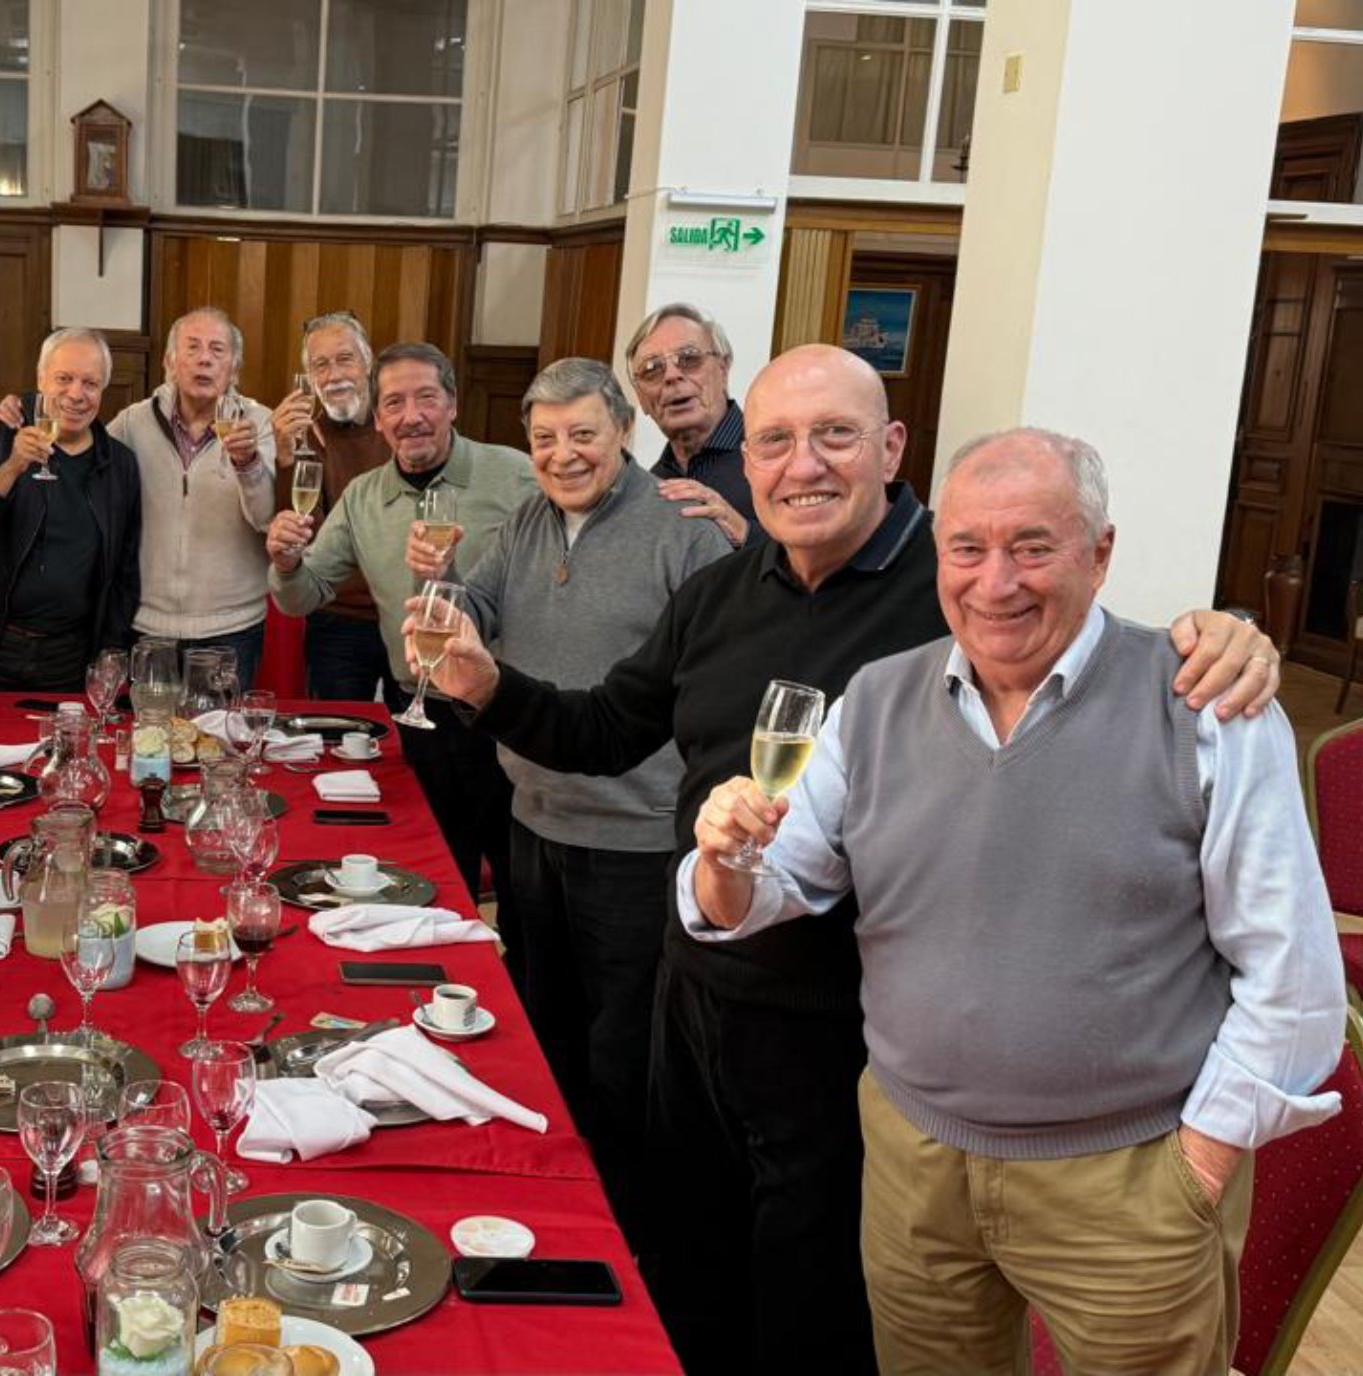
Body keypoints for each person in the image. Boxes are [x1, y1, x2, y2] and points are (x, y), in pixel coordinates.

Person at [412, 344, 1283, 1375]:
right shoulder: (723, 591)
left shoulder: (958, 593)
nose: (802, 465)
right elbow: (606, 728)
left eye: (835, 435)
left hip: (854, 1034)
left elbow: (1095, 651)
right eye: (776, 441)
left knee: (816, 1323)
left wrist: (1230, 629)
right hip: (698, 991)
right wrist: (485, 686)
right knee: (687, 1279)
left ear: (890, 447)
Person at [683, 428, 1345, 1375]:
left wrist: (1195, 1166)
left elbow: (1294, 978)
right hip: (912, 1165)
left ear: (1100, 553)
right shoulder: (875, 701)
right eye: (968, 547)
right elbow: (770, 886)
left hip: (1124, 1179)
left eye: (1033, 546)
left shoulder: (1205, 709)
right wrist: (722, 859)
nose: (995, 582)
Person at [444, 356, 728, 1249]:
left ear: (625, 433)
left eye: (582, 435)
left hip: (639, 843)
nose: (562, 455)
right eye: (544, 439)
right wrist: (445, 609)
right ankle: (553, 1214)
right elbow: (476, 599)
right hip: (534, 821)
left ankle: (624, 1241)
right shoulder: (526, 521)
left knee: (624, 1062)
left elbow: (725, 676)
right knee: (543, 1038)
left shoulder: (685, 532)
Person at [268, 341, 538, 978]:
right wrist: (284, 561)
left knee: (524, 885)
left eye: (425, 398)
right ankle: (455, 992)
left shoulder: (516, 475)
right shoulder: (364, 496)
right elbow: (305, 595)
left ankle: (524, 1001)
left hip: (506, 711)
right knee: (437, 874)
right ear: (379, 417)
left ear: (453, 404)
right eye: (394, 403)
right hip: (420, 716)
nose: (410, 416)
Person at [0, 327, 141, 691]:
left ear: (103, 389)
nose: (76, 394)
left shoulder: (120, 464)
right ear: (41, 380)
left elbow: (125, 571)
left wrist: (111, 651)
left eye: (90, 383)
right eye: (64, 379)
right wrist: (12, 466)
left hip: (71, 658)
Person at [109, 307, 276, 686]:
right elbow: (82, 456)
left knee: (220, 726)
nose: (205, 359)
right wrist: (21, 413)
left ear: (234, 369)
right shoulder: (132, 423)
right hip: (148, 626)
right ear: (170, 362)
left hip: (232, 628)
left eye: (217, 350)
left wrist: (248, 463)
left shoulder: (259, 424)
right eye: (193, 347)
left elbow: (267, 518)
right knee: (151, 725)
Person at [267, 310, 395, 700]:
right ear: (310, 378)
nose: (334, 374)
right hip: (337, 617)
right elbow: (306, 538)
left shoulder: (401, 426)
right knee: (335, 729)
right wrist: (286, 458)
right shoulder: (306, 437)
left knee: (412, 731)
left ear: (368, 362)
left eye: (344, 359)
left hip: (404, 611)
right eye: (320, 365)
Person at [627, 303, 753, 547]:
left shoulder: (774, 451)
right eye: (652, 369)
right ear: (640, 398)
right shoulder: (650, 486)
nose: (671, 376)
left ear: (723, 370)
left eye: (688, 358)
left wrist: (745, 533)